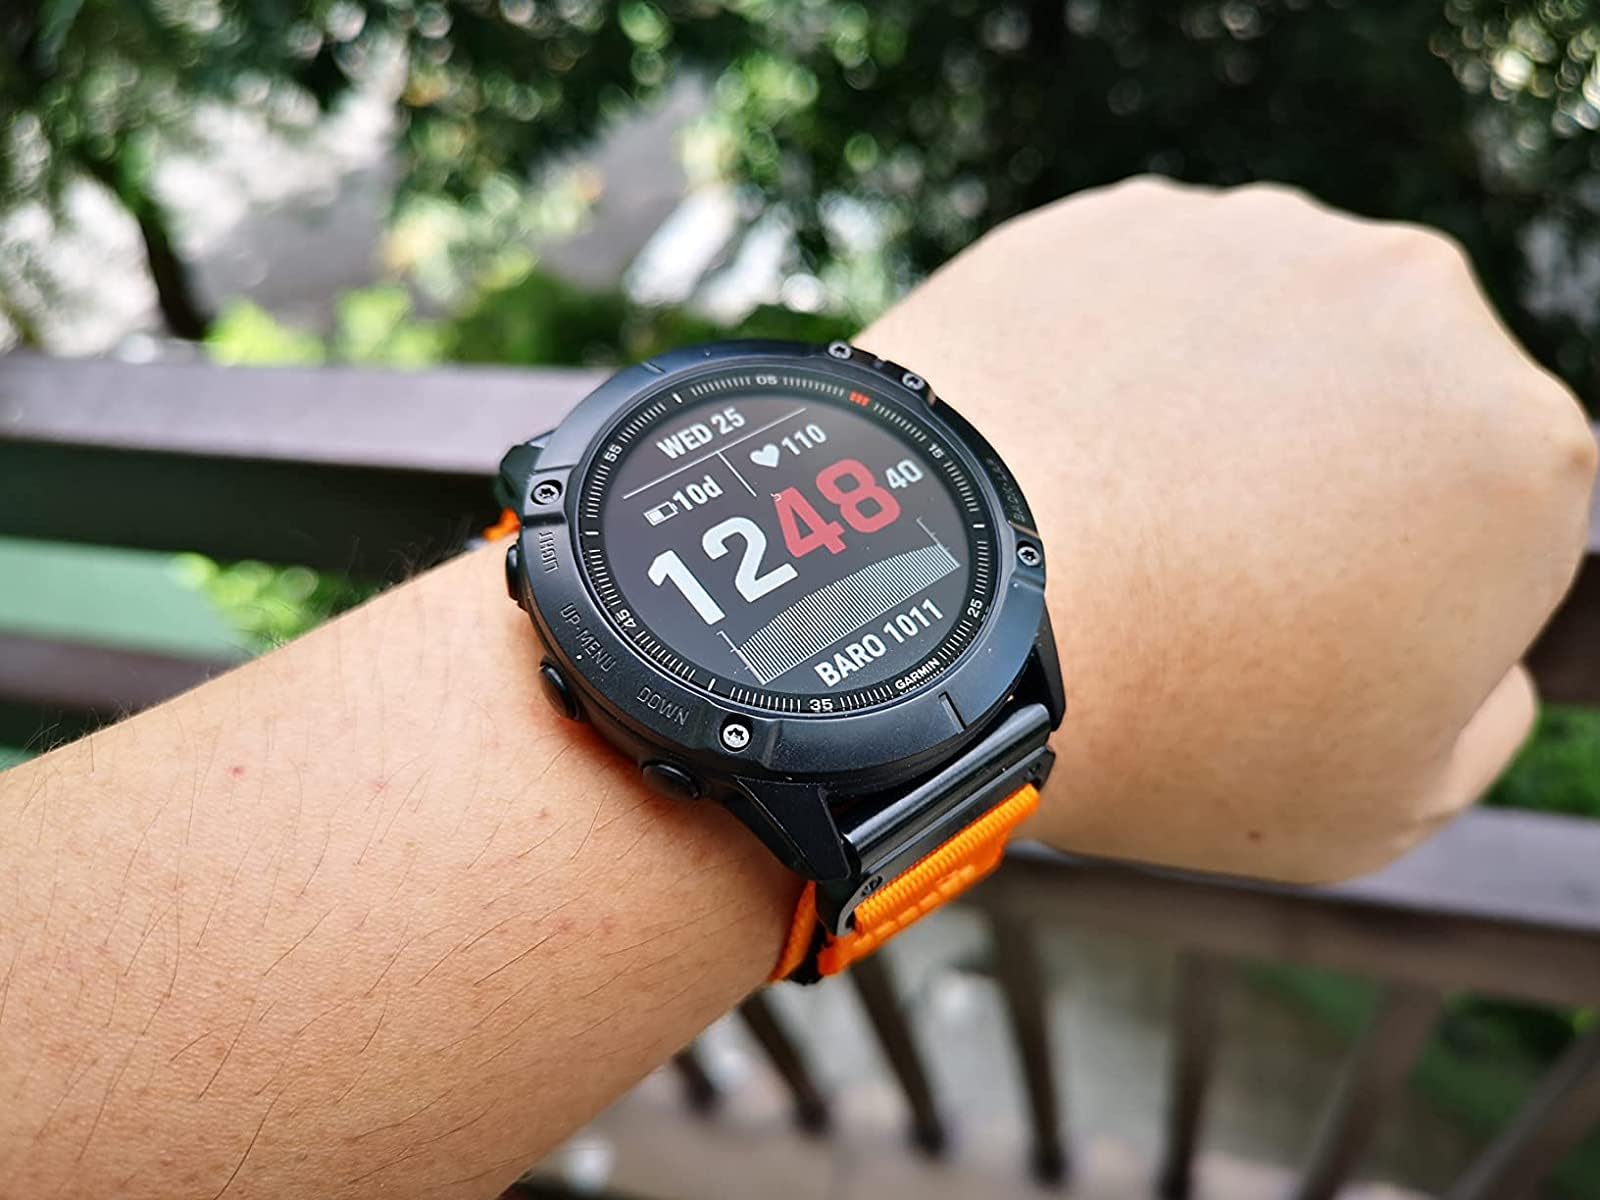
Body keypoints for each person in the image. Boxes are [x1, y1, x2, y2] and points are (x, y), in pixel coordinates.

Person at [0, 178, 1592, 1198]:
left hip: (924, 672)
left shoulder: (897, 543)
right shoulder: (598, 590)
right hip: (828, 735)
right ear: (536, 553)